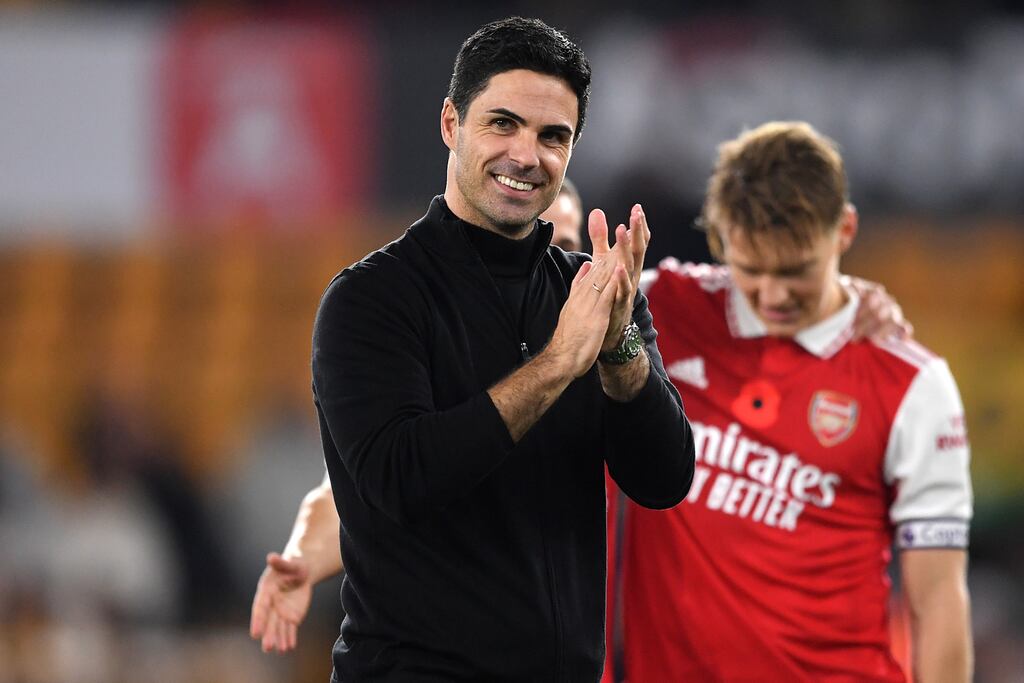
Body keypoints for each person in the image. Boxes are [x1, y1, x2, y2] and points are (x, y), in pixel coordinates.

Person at [311, 17, 695, 681]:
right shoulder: (371, 299)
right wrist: (556, 364)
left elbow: (664, 480)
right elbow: (401, 481)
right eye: (503, 124)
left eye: (553, 136)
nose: (526, 155)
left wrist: (619, 350)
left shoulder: (593, 293)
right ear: (450, 124)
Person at [609, 121, 973, 682]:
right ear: (720, 236)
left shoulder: (913, 384)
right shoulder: (660, 310)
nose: (774, 295)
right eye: (751, 269)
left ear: (844, 230)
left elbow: (938, 598)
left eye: (796, 270)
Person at [249, 178, 588, 655]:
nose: (544, 263)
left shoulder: (616, 349)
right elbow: (349, 492)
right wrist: (301, 557)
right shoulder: (459, 358)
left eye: (564, 249)